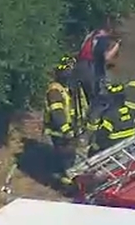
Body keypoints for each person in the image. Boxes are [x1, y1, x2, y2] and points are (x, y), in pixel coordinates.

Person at [43, 56, 88, 186]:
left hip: (72, 129)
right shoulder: (55, 90)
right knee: (67, 158)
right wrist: (66, 129)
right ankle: (67, 184)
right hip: (60, 132)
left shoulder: (70, 88)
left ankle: (72, 179)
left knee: (72, 157)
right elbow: (57, 112)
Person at [89, 83, 135, 155]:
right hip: (131, 144)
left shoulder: (110, 115)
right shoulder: (131, 110)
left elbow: (103, 134)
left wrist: (95, 146)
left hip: (115, 147)